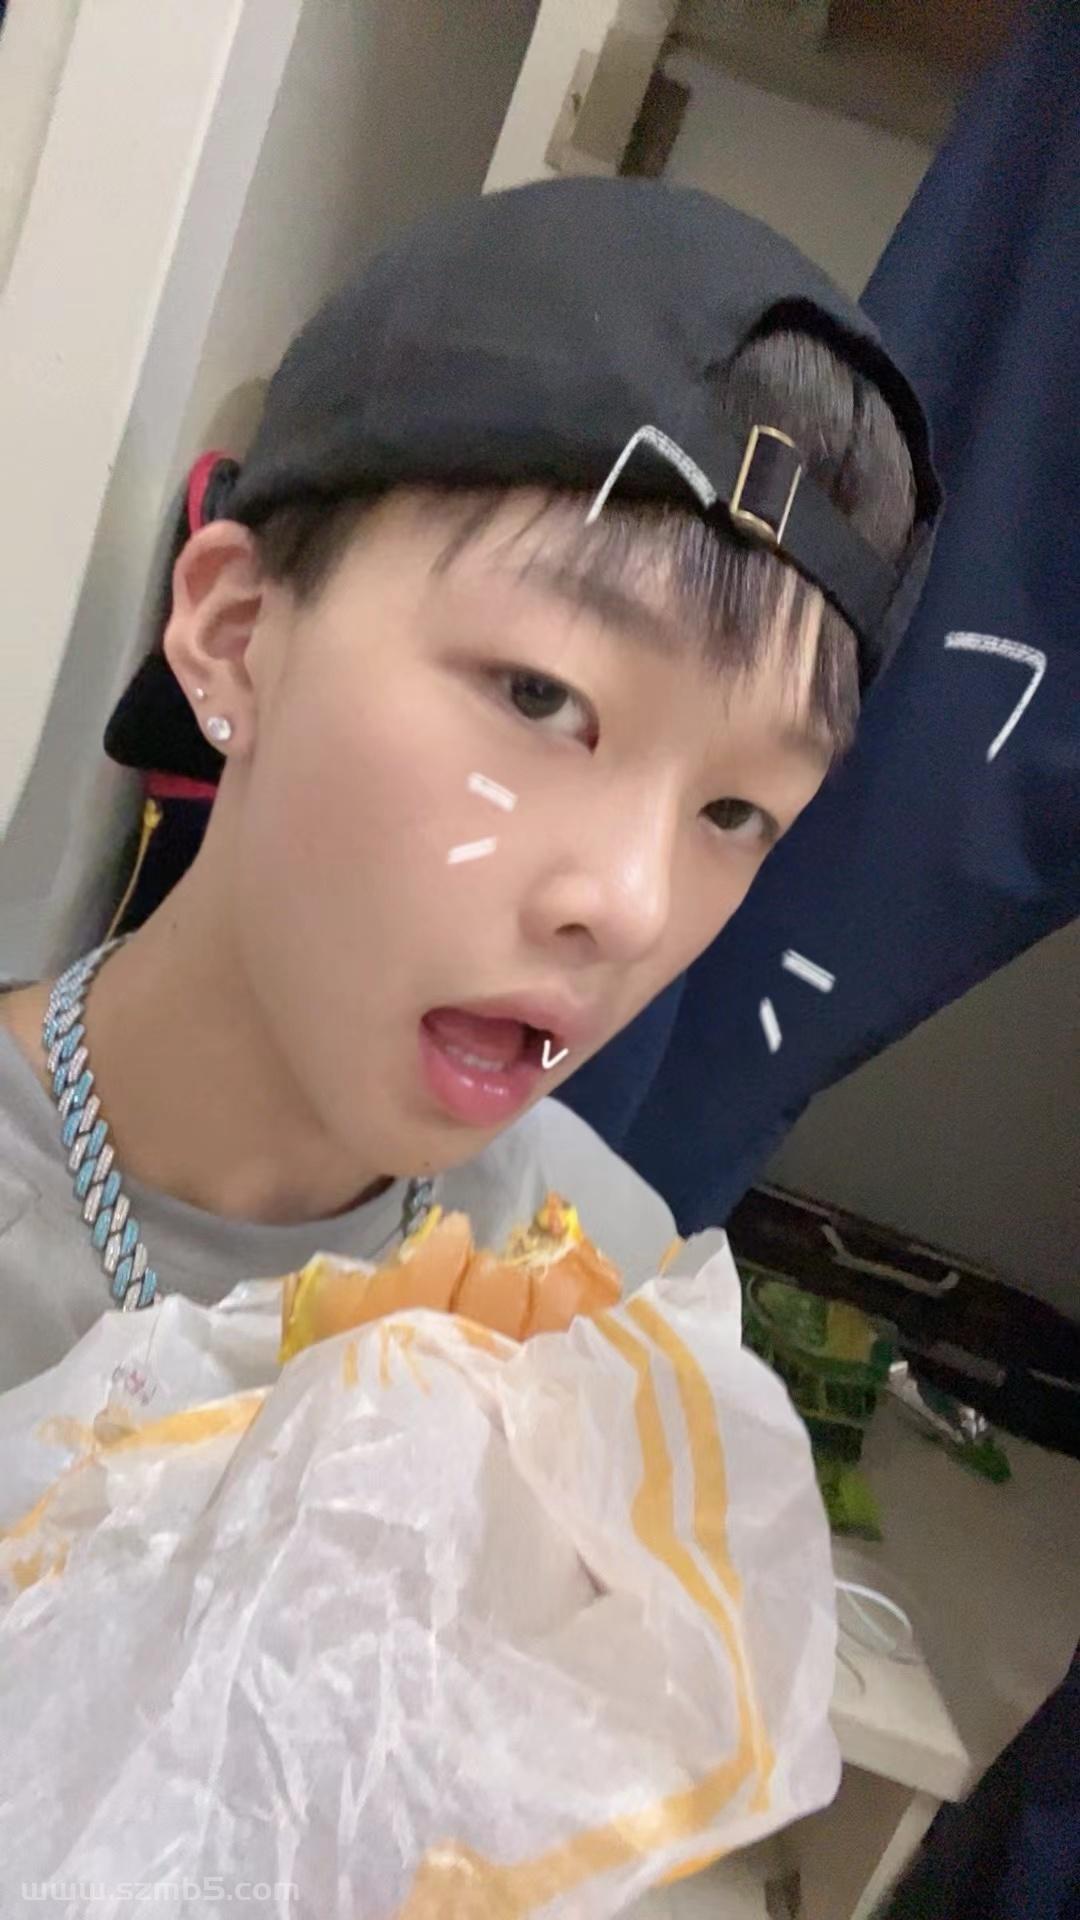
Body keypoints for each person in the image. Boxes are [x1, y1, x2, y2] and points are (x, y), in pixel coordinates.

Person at [0, 177, 940, 1392]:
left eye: (735, 811)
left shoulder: (611, 1289)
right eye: (541, 696)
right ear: (236, 632)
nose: (631, 905)